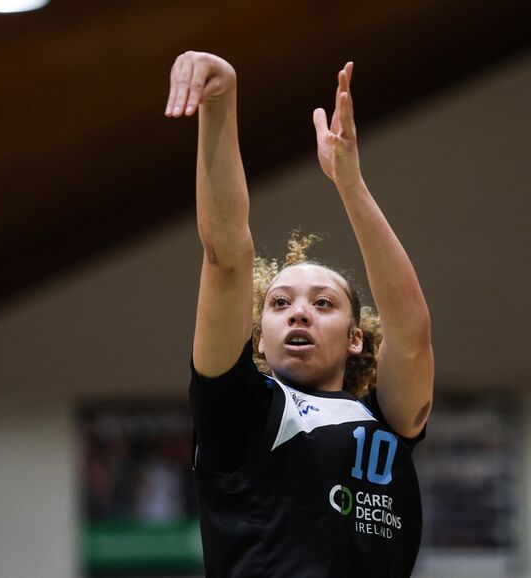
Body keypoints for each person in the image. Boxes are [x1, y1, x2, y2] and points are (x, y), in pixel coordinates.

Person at [165, 51, 434, 577]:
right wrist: (221, 103)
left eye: (323, 303)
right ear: (258, 338)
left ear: (356, 340)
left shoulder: (386, 419)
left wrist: (350, 185)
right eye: (280, 303)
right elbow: (226, 257)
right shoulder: (240, 411)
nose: (299, 314)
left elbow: (412, 334)